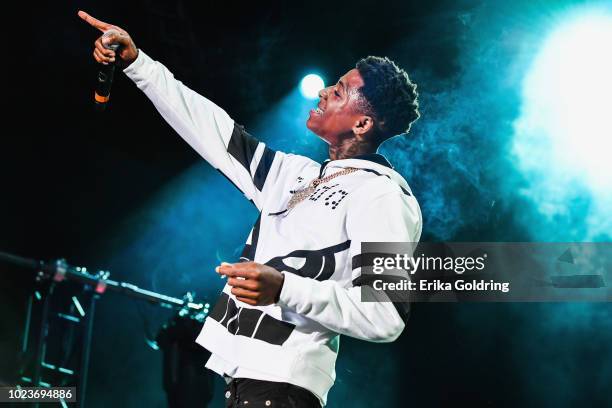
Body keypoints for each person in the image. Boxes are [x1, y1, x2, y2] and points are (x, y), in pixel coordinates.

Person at [79, 10, 422, 407]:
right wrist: (138, 64)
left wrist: (283, 287)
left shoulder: (382, 195)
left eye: (340, 91)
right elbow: (212, 128)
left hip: (284, 390)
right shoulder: (296, 173)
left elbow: (385, 317)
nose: (324, 91)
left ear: (362, 125)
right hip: (245, 384)